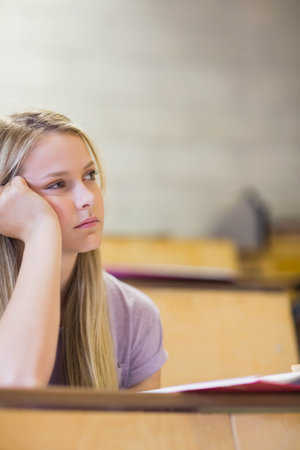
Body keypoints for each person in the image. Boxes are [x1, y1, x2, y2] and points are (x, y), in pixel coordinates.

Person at [0, 109, 167, 391]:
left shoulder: (134, 314)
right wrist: (41, 230)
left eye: (90, 175)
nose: (88, 197)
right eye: (57, 184)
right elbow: (17, 388)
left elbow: (140, 435)